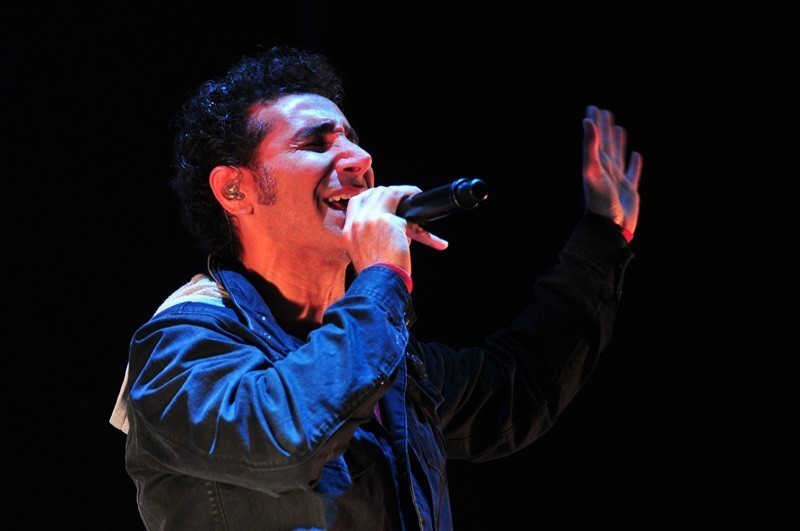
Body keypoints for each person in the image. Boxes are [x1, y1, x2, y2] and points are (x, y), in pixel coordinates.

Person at [110, 44, 642, 530]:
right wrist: (382, 278)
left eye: (354, 140)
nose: (361, 161)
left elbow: (518, 390)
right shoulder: (181, 349)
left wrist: (604, 237)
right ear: (234, 189)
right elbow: (287, 436)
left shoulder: (385, 356)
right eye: (316, 142)